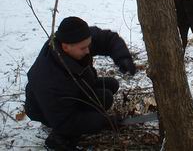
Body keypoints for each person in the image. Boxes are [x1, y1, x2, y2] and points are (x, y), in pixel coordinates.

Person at [25, 16, 136, 150]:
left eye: (88, 45)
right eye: (83, 48)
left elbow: (107, 39)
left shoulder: (76, 39)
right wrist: (103, 121)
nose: (88, 51)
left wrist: (123, 57)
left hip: (73, 86)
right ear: (65, 47)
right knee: (104, 99)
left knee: (111, 85)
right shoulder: (51, 80)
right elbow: (66, 121)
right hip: (45, 110)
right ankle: (59, 139)